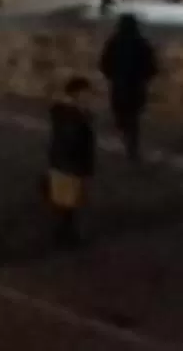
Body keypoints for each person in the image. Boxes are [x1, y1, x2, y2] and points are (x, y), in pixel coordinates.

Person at [99, 14, 159, 164]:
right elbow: (151, 66)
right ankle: (132, 146)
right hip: (136, 87)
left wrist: (112, 76)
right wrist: (145, 78)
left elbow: (104, 63)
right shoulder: (141, 43)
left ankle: (126, 136)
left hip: (119, 86)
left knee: (122, 114)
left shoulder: (113, 43)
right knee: (133, 118)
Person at [45, 78, 98, 247]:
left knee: (67, 204)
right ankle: (64, 236)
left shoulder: (65, 113)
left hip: (63, 163)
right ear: (77, 94)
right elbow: (73, 141)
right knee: (67, 204)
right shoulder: (71, 116)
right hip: (69, 165)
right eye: (86, 93)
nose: (89, 97)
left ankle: (65, 234)